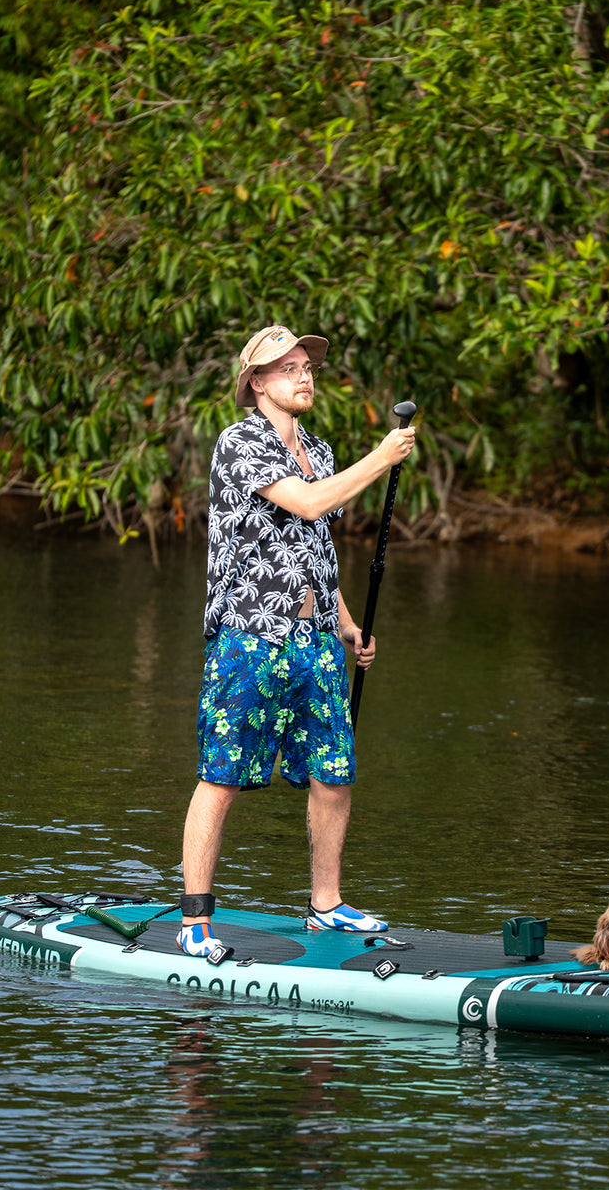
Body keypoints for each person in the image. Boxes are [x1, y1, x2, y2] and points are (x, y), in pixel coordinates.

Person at [176, 324, 416, 961]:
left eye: (307, 366)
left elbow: (313, 544)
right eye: (287, 368)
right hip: (251, 638)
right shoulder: (240, 442)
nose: (304, 375)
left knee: (334, 775)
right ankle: (194, 920)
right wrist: (382, 459)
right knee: (222, 777)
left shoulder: (319, 448)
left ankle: (326, 906)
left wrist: (344, 621)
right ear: (257, 383)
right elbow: (307, 505)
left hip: (313, 640)